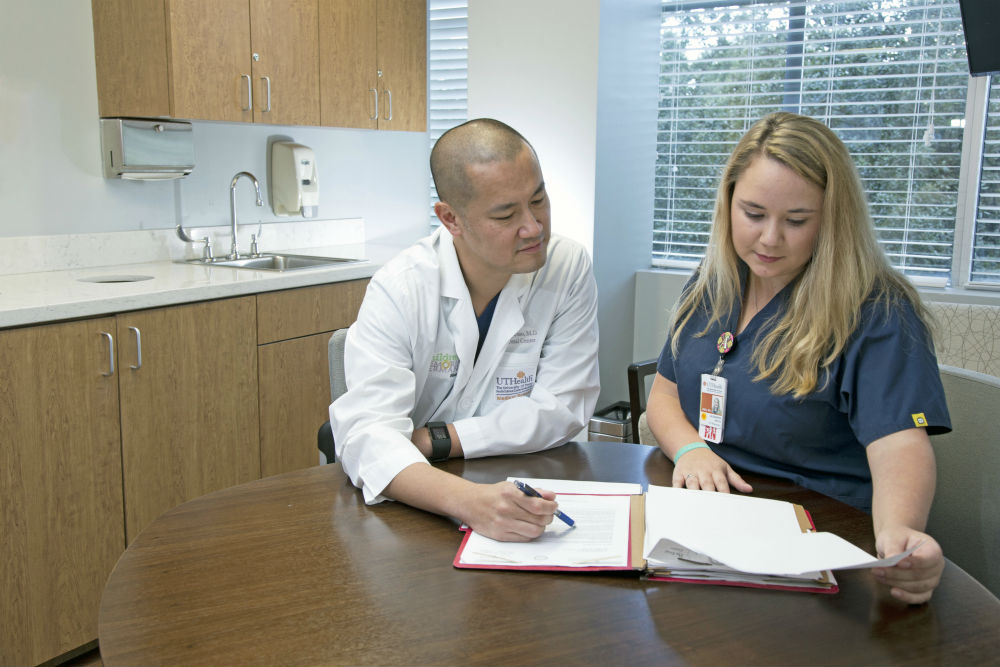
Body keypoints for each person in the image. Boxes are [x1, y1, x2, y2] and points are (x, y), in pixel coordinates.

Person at [646, 112, 951, 604]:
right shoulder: (715, 280)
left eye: (796, 221)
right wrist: (691, 450)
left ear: (832, 219)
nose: (769, 239)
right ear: (727, 204)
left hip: (818, 533)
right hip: (707, 521)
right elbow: (664, 394)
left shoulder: (877, 313)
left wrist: (899, 537)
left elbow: (899, 446)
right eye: (753, 213)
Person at [330, 118, 600, 543]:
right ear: (450, 218)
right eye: (506, 214)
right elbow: (367, 436)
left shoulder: (566, 267)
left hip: (521, 484)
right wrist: (469, 502)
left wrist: (438, 439)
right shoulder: (401, 288)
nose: (534, 227)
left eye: (539, 199)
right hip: (416, 509)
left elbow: (564, 407)